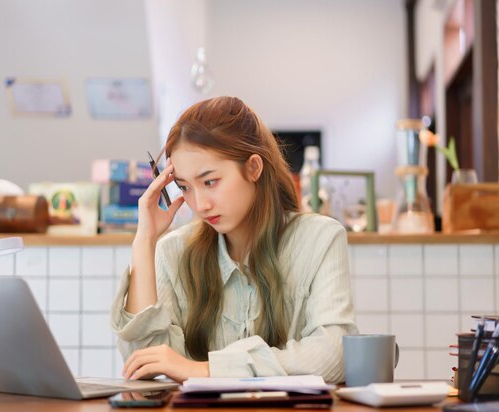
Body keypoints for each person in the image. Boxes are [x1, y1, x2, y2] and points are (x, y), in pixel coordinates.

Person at [110, 96, 357, 384]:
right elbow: (144, 364)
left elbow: (334, 352)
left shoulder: (320, 239)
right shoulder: (173, 251)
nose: (199, 204)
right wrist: (145, 241)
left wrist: (208, 370)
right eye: (185, 188)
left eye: (210, 181)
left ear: (253, 168)